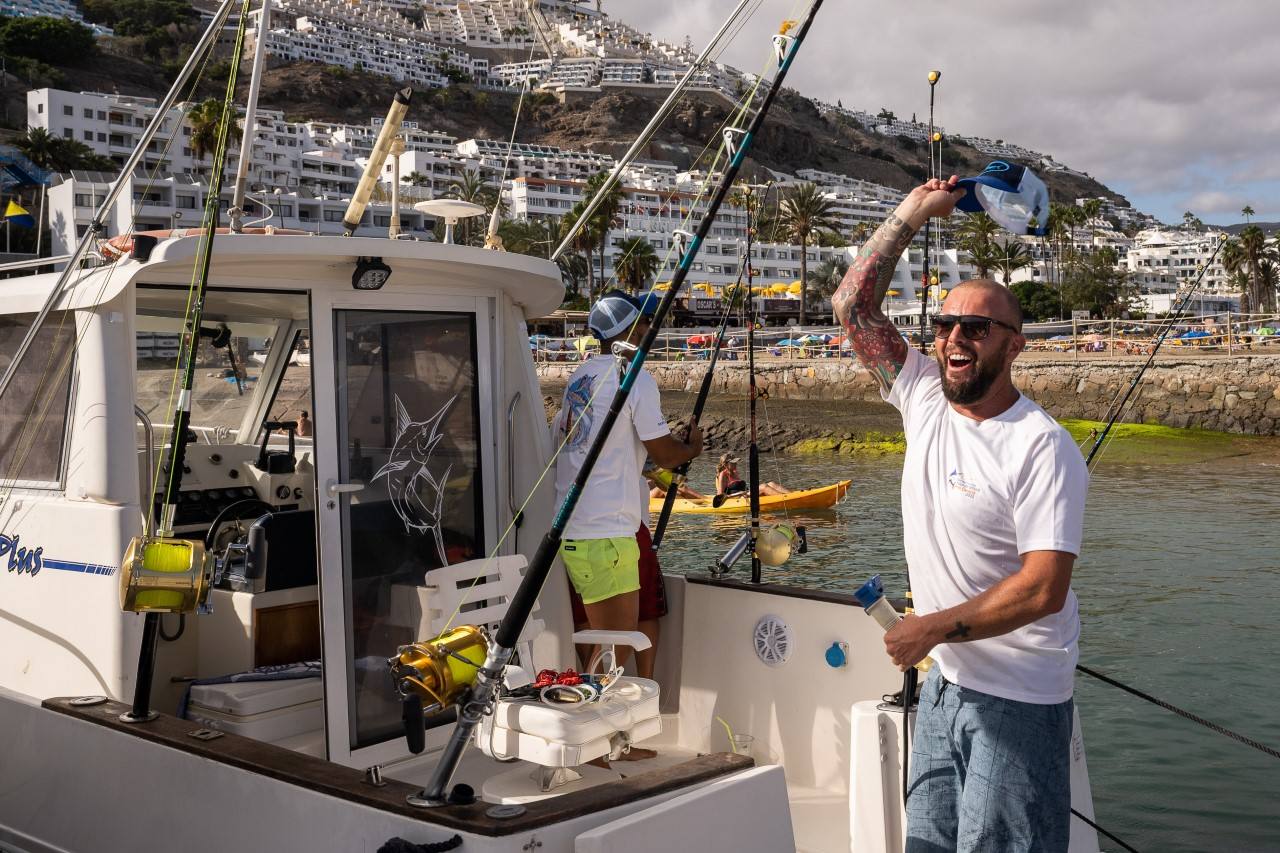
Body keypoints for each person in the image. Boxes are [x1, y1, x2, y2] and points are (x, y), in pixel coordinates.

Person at [832, 177, 1089, 852]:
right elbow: (852, 305)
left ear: (1014, 344)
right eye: (945, 324)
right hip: (947, 684)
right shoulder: (921, 394)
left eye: (977, 327)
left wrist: (930, 629)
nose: (955, 338)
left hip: (1019, 699)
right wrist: (914, 211)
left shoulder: (1042, 446)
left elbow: (1042, 587)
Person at [553, 291, 703, 683]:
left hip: (574, 529)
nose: (651, 329)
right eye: (647, 324)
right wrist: (691, 446)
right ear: (632, 330)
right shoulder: (633, 376)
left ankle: (606, 736)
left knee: (605, 640)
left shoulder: (580, 376)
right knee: (615, 649)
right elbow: (667, 453)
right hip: (607, 535)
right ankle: (608, 741)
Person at [715, 453, 786, 497]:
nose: (736, 464)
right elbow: (720, 495)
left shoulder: (735, 472)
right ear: (725, 464)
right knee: (763, 486)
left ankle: (790, 496)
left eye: (735, 462)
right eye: (733, 463)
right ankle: (784, 499)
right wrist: (736, 494)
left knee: (771, 484)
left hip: (747, 494)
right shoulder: (723, 475)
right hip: (739, 497)